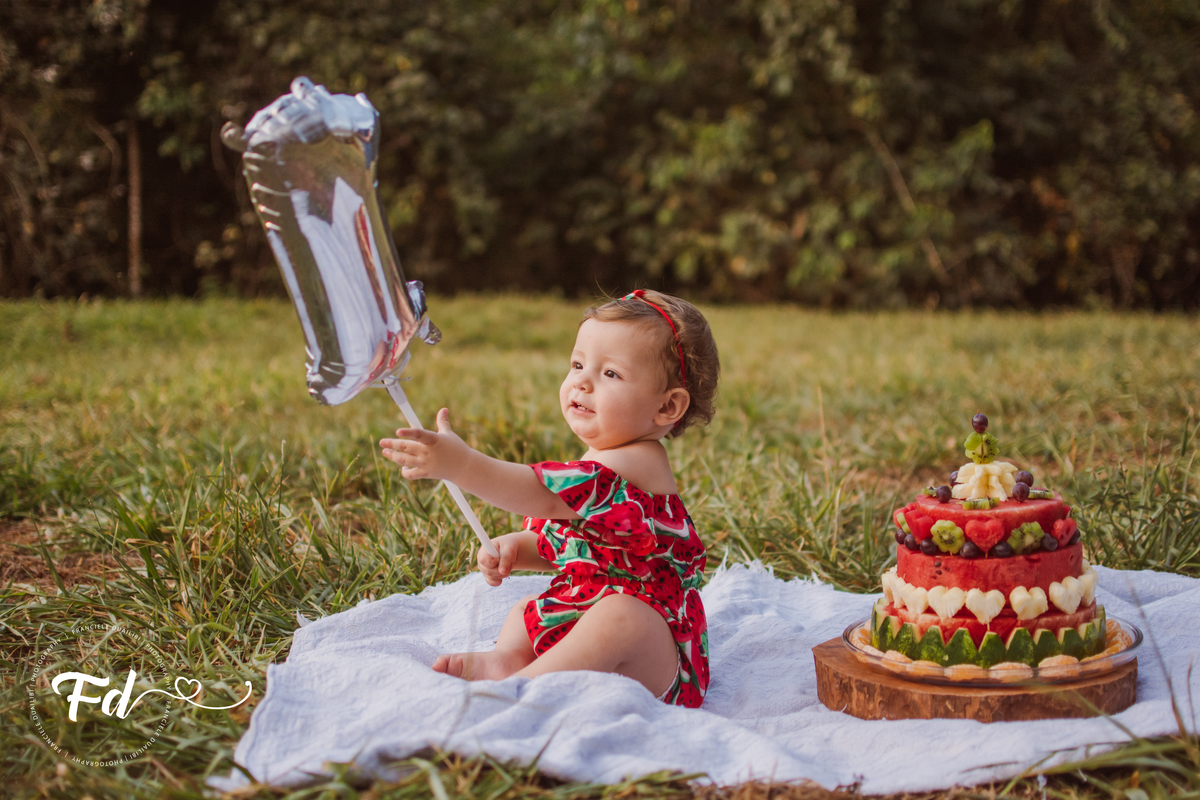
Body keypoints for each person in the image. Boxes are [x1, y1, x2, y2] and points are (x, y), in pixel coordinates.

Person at [379, 290, 719, 708]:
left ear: (668, 406)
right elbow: (579, 546)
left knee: (621, 618)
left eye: (610, 374)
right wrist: (517, 549)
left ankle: (522, 686)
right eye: (577, 365)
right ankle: (508, 660)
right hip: (594, 613)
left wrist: (462, 465)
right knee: (531, 606)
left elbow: (535, 494)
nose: (581, 380)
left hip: (659, 655)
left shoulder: (637, 463)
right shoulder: (603, 459)